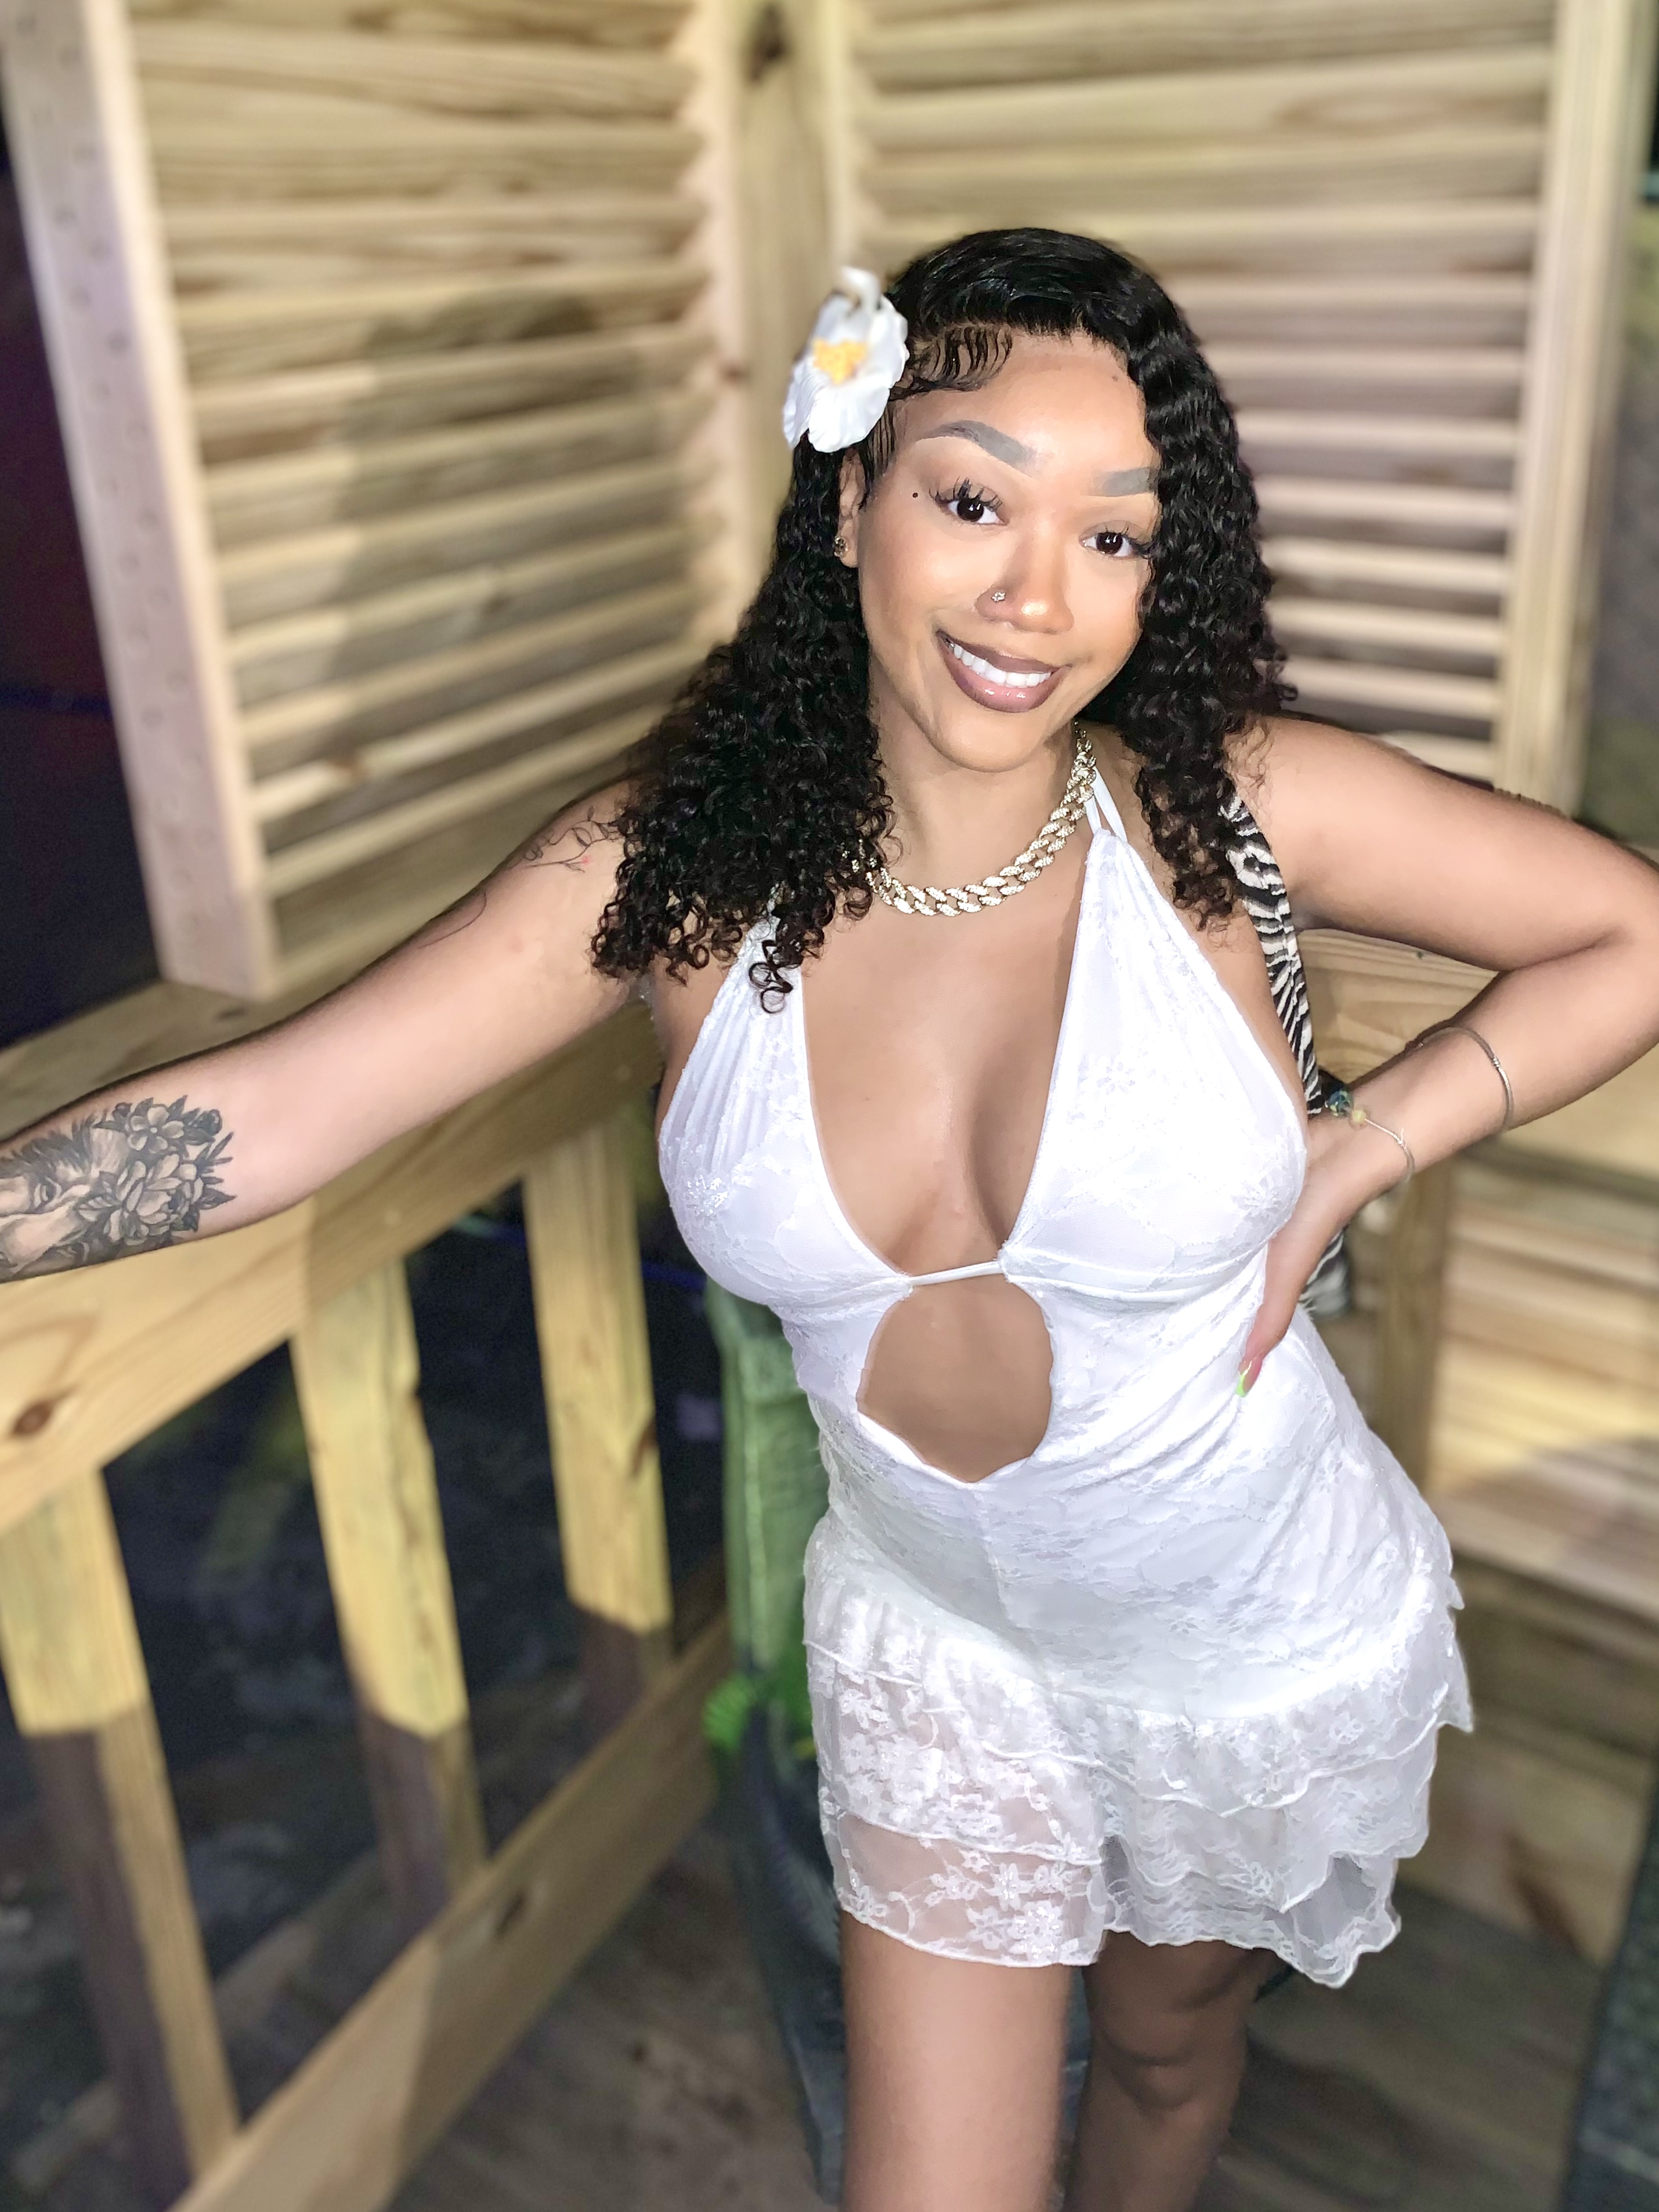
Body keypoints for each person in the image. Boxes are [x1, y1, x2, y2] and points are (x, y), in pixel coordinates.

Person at [4, 229, 1659, 2212]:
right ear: (850, 493)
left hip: (1240, 1627)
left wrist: (1366, 1143)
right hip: (943, 1649)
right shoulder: (677, 871)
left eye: (1112, 538)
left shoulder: (1228, 810)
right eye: (972, 501)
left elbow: (1628, 932)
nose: (1038, 599)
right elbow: (279, 1104)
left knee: (1162, 2055)